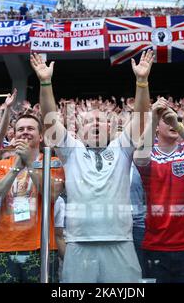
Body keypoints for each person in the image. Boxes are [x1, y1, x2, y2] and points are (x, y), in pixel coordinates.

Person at [30, 50, 153, 283]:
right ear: (78, 128)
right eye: (89, 121)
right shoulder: (71, 151)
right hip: (79, 242)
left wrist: (142, 82)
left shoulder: (121, 148)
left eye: (102, 121)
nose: (95, 124)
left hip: (120, 240)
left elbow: (142, 118)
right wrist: (45, 82)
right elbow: (49, 119)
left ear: (112, 128)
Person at [134, 98, 184, 283]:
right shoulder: (150, 155)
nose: (172, 123)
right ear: (156, 128)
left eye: (175, 119)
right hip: (156, 244)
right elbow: (140, 157)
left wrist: (177, 124)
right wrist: (153, 118)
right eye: (165, 120)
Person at [0, 114, 64, 283]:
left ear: (41, 136)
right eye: (20, 129)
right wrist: (15, 169)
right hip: (3, 247)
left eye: (30, 128)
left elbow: (51, 195)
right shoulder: (2, 164)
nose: (25, 132)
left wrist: (29, 162)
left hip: (41, 247)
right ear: (14, 136)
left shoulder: (53, 162)